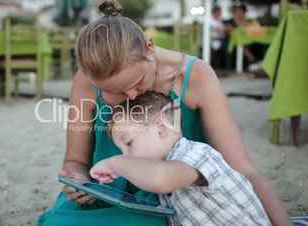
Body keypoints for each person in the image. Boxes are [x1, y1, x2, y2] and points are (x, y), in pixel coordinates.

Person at [38, 1, 291, 225]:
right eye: (116, 92)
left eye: (137, 82)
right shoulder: (86, 80)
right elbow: (75, 161)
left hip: (170, 198)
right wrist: (78, 180)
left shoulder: (196, 77)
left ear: (149, 47)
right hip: (105, 192)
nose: (133, 97)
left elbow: (242, 171)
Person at [90, 91, 271, 226]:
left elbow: (160, 179)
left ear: (160, 127)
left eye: (129, 143)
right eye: (121, 151)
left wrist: (116, 163)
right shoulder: (169, 166)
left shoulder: (195, 154)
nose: (125, 155)